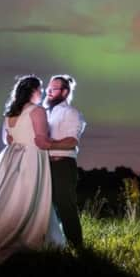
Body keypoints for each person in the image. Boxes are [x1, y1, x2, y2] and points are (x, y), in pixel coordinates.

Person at [0, 75, 66, 263]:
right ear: (33, 91)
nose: (42, 92)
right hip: (31, 158)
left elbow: (7, 140)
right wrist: (65, 144)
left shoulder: (11, 113)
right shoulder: (38, 111)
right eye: (40, 89)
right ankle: (25, 234)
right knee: (28, 197)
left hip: (11, 158)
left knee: (10, 198)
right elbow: (41, 141)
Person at [43, 74, 86, 249]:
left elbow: (72, 141)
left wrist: (49, 144)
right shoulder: (45, 113)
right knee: (45, 206)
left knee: (65, 205)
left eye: (53, 89)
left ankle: (76, 245)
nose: (49, 92)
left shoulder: (72, 113)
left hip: (62, 166)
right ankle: (51, 243)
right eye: (48, 89)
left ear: (65, 92)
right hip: (45, 166)